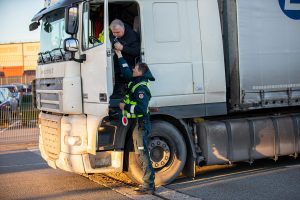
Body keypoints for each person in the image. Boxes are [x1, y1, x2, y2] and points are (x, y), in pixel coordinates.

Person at [115, 49, 156, 194]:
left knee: (142, 153)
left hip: (141, 124)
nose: (133, 69)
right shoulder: (136, 81)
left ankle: (149, 184)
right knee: (140, 153)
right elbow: (126, 72)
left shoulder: (141, 88)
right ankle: (148, 183)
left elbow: (141, 109)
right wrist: (119, 55)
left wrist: (124, 106)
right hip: (138, 124)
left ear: (140, 72)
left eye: (135, 68)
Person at [110, 19, 141, 98]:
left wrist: (122, 48)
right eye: (114, 32)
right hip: (116, 62)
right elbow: (111, 38)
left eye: (118, 32)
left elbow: (136, 52)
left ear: (123, 29)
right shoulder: (113, 32)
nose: (115, 34)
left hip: (129, 63)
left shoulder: (132, 36)